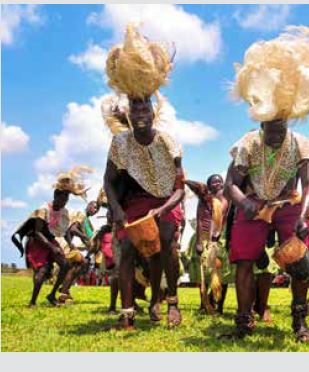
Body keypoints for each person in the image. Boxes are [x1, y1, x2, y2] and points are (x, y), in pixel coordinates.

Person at [223, 26, 309, 341]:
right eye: (270, 128)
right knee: (244, 262)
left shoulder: (299, 142)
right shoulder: (247, 143)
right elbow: (230, 184)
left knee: (299, 257)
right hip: (254, 204)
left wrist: (302, 216)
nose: (276, 133)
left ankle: (300, 321)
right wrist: (246, 204)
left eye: (281, 128)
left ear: (288, 121)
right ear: (261, 121)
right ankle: (243, 321)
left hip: (288, 205)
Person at [102, 24, 185, 330]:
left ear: (153, 112)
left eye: (144, 106)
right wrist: (119, 210)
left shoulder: (168, 141)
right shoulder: (120, 144)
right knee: (125, 249)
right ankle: (127, 314)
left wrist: (161, 210)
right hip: (135, 202)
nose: (139, 112)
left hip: (166, 199)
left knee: (165, 243)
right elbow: (109, 181)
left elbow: (179, 189)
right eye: (134, 106)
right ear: (129, 112)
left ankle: (169, 302)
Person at [11, 167, 92, 306]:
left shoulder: (64, 212)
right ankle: (32, 302)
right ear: (55, 196)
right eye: (63, 198)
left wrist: (68, 244)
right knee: (42, 272)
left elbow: (64, 230)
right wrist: (51, 247)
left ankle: (52, 294)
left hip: (50, 240)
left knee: (65, 265)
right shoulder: (43, 209)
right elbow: (37, 233)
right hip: (37, 241)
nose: (65, 201)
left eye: (67, 198)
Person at [186, 174, 234, 315]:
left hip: (221, 238)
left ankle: (219, 305)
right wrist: (200, 242)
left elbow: (222, 216)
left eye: (219, 181)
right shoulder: (203, 200)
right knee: (204, 273)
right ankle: (204, 304)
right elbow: (200, 220)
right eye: (214, 182)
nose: (217, 183)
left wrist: (217, 237)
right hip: (204, 236)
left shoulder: (226, 197)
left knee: (221, 273)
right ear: (209, 185)